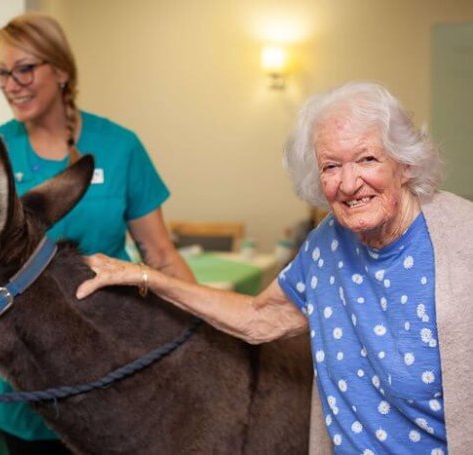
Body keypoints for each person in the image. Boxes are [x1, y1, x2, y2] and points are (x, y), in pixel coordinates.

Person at [77, 81, 473, 454]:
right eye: (331, 166)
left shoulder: (461, 241)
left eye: (367, 159)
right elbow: (259, 317)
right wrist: (147, 277)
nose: (349, 183)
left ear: (404, 164)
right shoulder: (327, 244)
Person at [0, 12, 195, 455]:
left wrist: (205, 330)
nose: (12, 84)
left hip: (106, 361)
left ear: (61, 70)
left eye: (25, 68)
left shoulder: (119, 146)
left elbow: (160, 254)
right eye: (3, 73)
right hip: (19, 375)